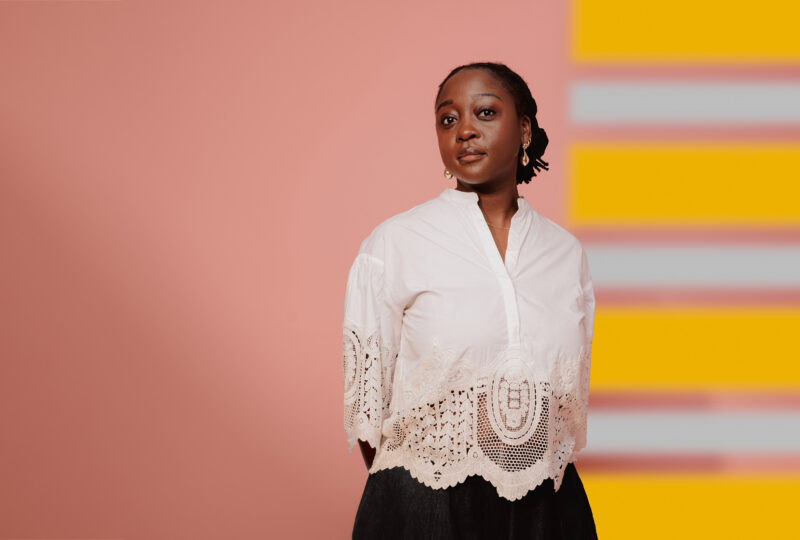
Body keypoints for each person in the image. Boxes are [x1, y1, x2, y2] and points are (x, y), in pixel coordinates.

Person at [341, 61, 598, 539]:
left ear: (524, 128)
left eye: (484, 113)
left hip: (548, 505)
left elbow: (567, 407)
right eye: (447, 119)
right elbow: (367, 413)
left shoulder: (566, 254)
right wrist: (419, 498)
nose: (464, 131)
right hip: (425, 505)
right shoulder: (395, 243)